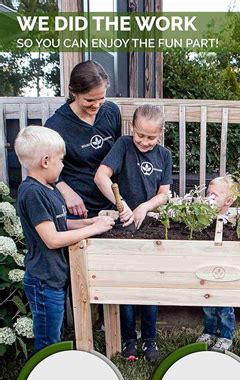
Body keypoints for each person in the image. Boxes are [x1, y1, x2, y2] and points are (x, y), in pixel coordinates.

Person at [15, 126, 115, 352]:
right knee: (48, 340)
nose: (63, 165)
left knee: (55, 332)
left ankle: (53, 372)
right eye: (61, 160)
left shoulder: (48, 189)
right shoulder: (32, 193)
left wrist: (88, 223)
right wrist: (91, 230)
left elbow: (60, 223)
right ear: (46, 161)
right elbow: (52, 239)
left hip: (55, 276)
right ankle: (40, 379)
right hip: (44, 279)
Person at [95, 104, 172, 361]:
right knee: (125, 287)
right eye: (140, 135)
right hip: (123, 226)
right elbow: (101, 177)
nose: (144, 141)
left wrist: (144, 207)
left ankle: (150, 340)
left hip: (149, 227)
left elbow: (164, 194)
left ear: (160, 133)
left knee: (150, 286)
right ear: (132, 128)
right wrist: (123, 206)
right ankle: (129, 339)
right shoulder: (123, 146)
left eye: (151, 137)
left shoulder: (164, 155)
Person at [45, 60, 122, 218]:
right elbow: (46, 169)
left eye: (101, 98)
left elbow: (118, 153)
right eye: (89, 100)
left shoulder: (111, 112)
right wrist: (66, 192)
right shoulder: (56, 125)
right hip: (77, 206)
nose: (96, 105)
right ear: (74, 92)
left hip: (110, 201)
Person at [196, 175, 236, 352]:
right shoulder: (203, 217)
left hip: (225, 271)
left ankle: (225, 336)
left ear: (228, 201)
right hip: (207, 268)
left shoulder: (232, 219)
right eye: (208, 194)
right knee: (208, 305)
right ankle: (209, 331)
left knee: (225, 307)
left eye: (215, 195)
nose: (209, 198)